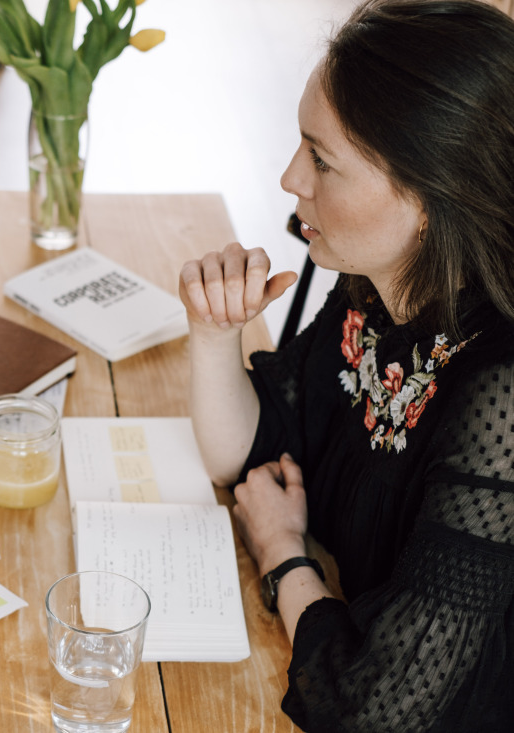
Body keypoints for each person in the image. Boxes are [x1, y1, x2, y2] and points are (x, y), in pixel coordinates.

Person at [179, 1, 514, 730]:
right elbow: (254, 448)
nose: (289, 177)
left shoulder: (502, 396)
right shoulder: (374, 281)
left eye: (321, 159)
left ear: (430, 196)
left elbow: (375, 706)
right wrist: (213, 335)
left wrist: (281, 555)